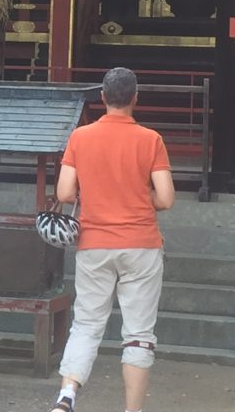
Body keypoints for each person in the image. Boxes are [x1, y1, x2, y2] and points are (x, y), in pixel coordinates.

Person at [49, 67, 174, 412]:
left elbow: (64, 191)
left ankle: (67, 394)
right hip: (141, 245)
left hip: (94, 242)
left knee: (87, 323)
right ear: (136, 98)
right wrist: (136, 196)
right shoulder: (151, 140)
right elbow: (165, 198)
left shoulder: (81, 138)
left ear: (102, 97)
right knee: (138, 333)